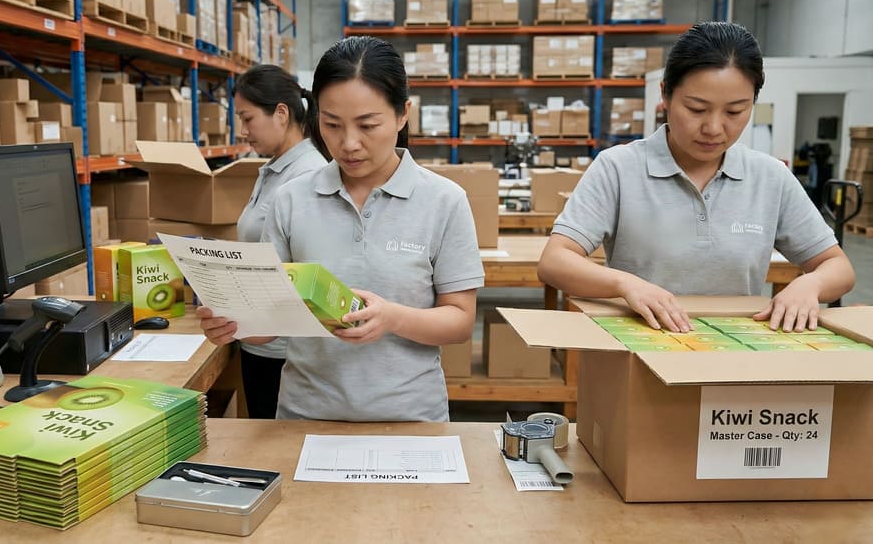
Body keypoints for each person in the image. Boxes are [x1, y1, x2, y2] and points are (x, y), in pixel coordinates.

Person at [198, 36, 484, 422]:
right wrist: (234, 324)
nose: (349, 144)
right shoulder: (292, 199)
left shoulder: (444, 201)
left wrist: (392, 318)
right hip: (305, 418)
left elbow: (460, 320)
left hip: (410, 421)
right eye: (331, 124)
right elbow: (269, 324)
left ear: (403, 115)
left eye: (368, 125)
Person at [537, 21, 855, 334]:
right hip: (641, 349)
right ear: (666, 95)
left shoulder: (769, 177)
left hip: (736, 354)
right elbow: (555, 261)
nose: (714, 128)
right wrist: (625, 284)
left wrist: (809, 285)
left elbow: (838, 267)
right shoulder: (619, 168)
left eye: (735, 112)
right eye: (696, 108)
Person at [231, 64, 328, 419]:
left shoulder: (306, 175)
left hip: (281, 349)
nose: (243, 131)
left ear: (281, 113)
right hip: (259, 337)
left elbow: (310, 266)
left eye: (248, 118)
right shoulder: (275, 169)